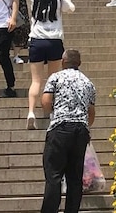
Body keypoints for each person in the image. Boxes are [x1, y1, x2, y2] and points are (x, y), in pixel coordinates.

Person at [39, 49, 95, 213]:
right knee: (75, 178)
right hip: (80, 131)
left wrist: (54, 112)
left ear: (63, 62)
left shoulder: (56, 77)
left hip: (60, 128)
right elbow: (91, 112)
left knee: (54, 176)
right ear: (79, 63)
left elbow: (46, 102)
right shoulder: (88, 83)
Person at [27, 0, 75, 130]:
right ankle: (51, 112)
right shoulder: (59, 1)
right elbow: (71, 8)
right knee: (52, 79)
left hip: (37, 41)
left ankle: (31, 112)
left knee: (36, 81)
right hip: (54, 41)